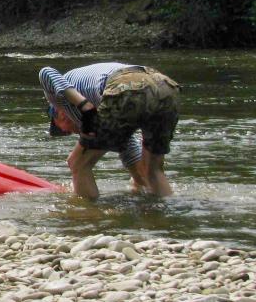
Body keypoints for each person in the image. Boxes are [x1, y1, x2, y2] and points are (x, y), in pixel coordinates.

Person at [39, 62, 181, 200]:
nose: (73, 133)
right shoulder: (108, 111)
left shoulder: (57, 99)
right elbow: (131, 156)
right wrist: (138, 187)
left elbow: (46, 72)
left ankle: (87, 217)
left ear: (59, 114)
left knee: (77, 163)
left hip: (125, 84)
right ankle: (164, 217)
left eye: (65, 131)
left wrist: (84, 106)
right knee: (152, 171)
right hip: (165, 87)